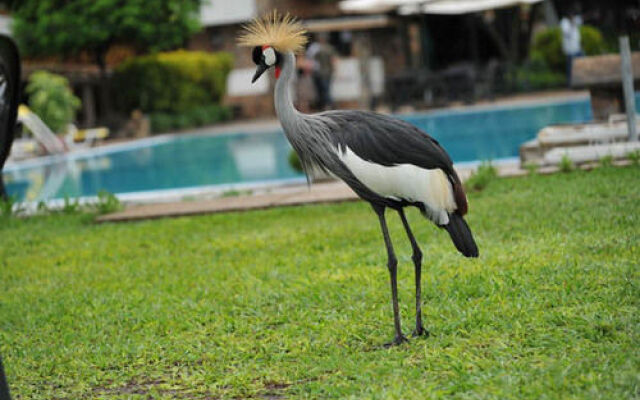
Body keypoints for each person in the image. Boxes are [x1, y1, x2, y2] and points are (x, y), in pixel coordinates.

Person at [306, 33, 337, 110]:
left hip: (325, 73)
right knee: (321, 91)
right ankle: (325, 106)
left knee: (325, 91)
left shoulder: (324, 48)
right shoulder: (319, 48)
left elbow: (333, 60)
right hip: (320, 73)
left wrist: (334, 69)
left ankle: (328, 106)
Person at [560, 10, 583, 87]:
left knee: (581, 65)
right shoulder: (564, 22)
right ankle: (570, 84)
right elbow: (567, 33)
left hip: (577, 48)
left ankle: (580, 82)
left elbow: (581, 21)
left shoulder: (574, 21)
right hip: (570, 50)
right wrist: (572, 23)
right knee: (570, 68)